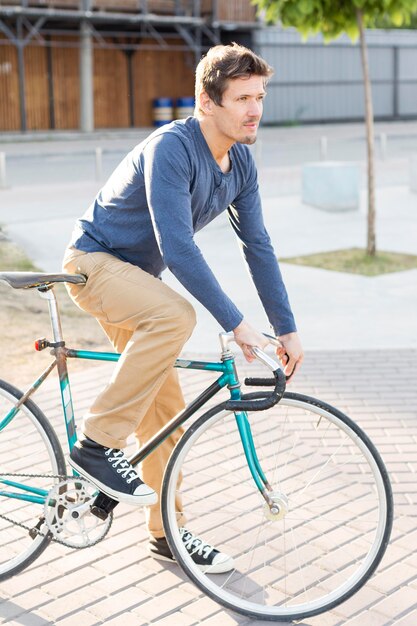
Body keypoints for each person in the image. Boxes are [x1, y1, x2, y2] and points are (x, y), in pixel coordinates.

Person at [63, 43, 303, 573]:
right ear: (205, 102)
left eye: (259, 96)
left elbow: (257, 245)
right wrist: (237, 325)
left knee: (167, 417)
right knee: (177, 316)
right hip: (94, 263)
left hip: (138, 284)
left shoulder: (240, 162)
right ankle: (96, 444)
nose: (254, 109)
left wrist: (286, 328)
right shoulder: (172, 148)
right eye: (241, 98)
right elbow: (179, 248)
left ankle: (167, 531)